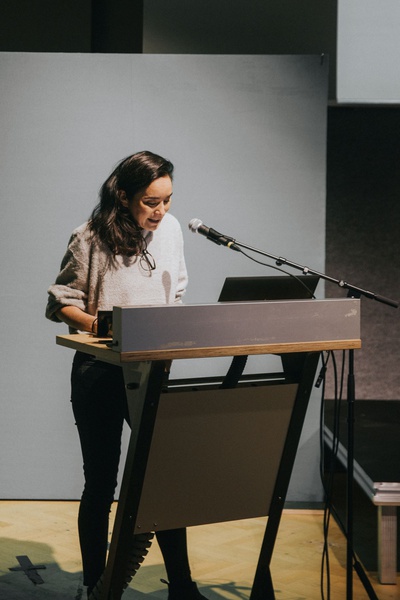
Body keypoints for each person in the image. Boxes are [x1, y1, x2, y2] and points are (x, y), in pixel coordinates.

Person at [46, 151, 208, 600]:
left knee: (164, 479)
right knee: (101, 482)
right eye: (150, 202)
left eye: (168, 200)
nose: (161, 211)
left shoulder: (170, 231)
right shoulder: (90, 236)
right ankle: (95, 587)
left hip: (152, 370)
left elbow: (176, 293)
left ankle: (182, 587)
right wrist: (101, 325)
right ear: (123, 196)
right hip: (100, 373)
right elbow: (59, 301)